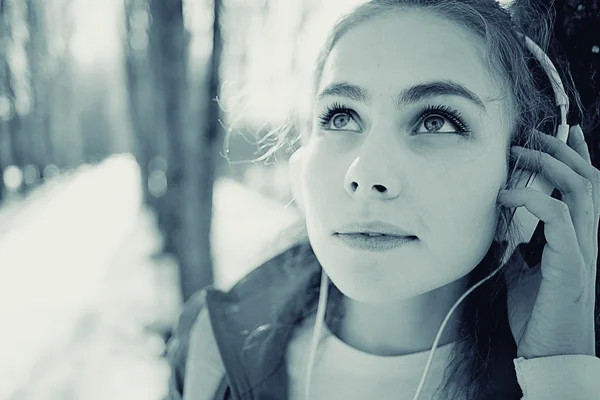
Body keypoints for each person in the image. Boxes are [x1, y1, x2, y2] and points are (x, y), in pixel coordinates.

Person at [166, 0, 600, 399]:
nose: (366, 175)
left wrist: (560, 372)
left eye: (436, 122)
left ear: (524, 173)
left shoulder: (571, 368)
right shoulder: (211, 350)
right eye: (341, 117)